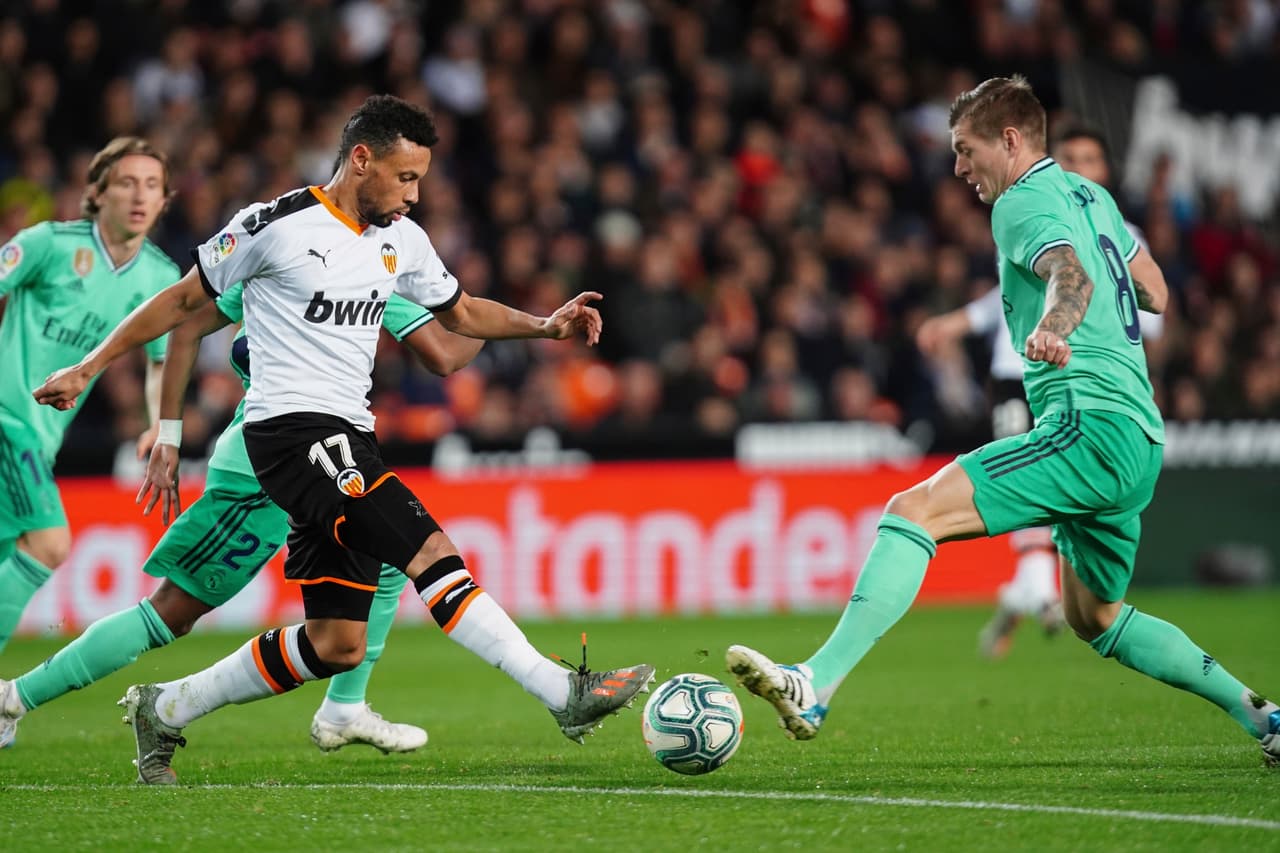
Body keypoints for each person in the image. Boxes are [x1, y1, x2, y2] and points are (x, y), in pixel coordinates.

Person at [32, 95, 654, 784]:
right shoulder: (275, 225)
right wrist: (91, 366)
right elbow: (181, 306)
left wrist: (545, 325)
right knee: (429, 550)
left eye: (420, 179)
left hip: (349, 434)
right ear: (362, 160)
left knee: (337, 643)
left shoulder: (400, 241)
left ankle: (167, 708)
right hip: (289, 432)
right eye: (405, 177)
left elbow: (464, 314)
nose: (414, 196)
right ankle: (560, 692)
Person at [726, 76, 1280, 766]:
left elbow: (1068, 273)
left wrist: (1057, 319)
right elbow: (1158, 291)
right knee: (1096, 617)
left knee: (912, 511)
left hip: (1088, 419)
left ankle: (813, 681)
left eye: (965, 149)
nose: (959, 168)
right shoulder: (1096, 196)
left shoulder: (1021, 200)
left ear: (1011, 141)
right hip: (1138, 435)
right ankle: (1267, 718)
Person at [1, 282, 482, 753]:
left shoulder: (353, 269)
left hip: (325, 460)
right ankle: (13, 699)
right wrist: (497, 318)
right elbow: (446, 353)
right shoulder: (281, 256)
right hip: (263, 471)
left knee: (395, 560)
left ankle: (345, 709)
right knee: (171, 612)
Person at [917, 123, 1165, 659]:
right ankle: (1034, 588)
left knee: (1043, 495)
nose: (1077, 164)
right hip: (1020, 375)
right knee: (1032, 490)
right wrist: (958, 324)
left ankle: (1029, 592)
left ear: (1104, 173)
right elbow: (1007, 293)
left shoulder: (1111, 227)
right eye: (1068, 154)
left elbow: (1153, 311)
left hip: (1092, 392)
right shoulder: (1029, 207)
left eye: (1089, 158)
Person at [0, 137, 178, 655]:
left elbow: (159, 361)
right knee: (50, 544)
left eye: (152, 186)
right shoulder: (47, 245)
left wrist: (156, 424)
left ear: (165, 200)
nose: (139, 196)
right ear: (98, 193)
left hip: (44, 438)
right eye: (126, 183)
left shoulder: (160, 278)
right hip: (10, 418)